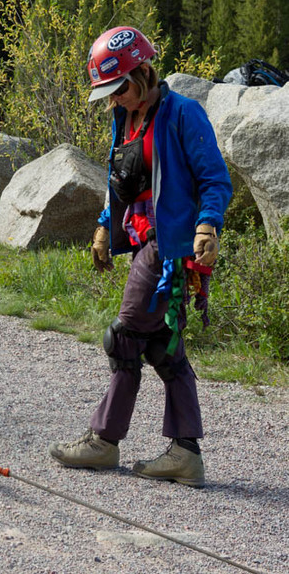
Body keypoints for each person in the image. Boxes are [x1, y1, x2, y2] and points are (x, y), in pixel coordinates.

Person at [48, 27, 232, 488]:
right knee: (162, 346)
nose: (115, 100)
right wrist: (104, 224)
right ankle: (185, 454)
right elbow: (122, 179)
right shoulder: (126, 116)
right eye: (108, 93)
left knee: (125, 336)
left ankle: (104, 441)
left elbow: (215, 179)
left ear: (143, 71)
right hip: (142, 240)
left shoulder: (183, 114)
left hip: (170, 248)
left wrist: (208, 224)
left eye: (120, 89)